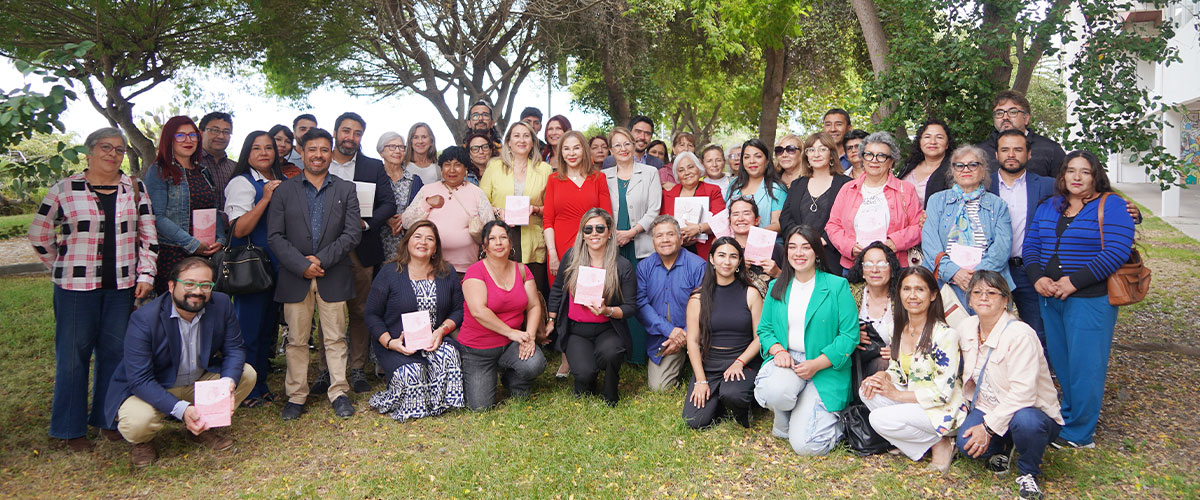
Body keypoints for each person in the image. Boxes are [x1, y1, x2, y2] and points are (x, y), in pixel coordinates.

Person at [29, 127, 157, 451]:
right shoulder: (65, 189)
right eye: (106, 147)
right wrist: (62, 264)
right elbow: (39, 234)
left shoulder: (136, 189)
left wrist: (146, 274)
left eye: (119, 149)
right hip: (75, 289)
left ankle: (107, 418)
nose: (113, 154)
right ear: (89, 152)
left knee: (115, 355)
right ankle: (69, 430)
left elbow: (148, 236)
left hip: (122, 287)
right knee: (73, 357)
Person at [1023, 150, 1135, 449]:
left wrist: (1073, 282)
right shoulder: (1050, 206)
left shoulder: (1111, 206)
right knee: (1063, 362)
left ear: (1095, 175)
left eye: (1084, 172)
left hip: (1089, 299)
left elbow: (1115, 252)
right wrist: (1037, 278)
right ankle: (1068, 417)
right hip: (1050, 296)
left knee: (1086, 366)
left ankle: (1080, 433)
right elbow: (1031, 245)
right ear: (1062, 175)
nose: (1076, 177)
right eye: (1070, 171)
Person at [103, 257, 256, 467]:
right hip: (154, 387)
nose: (198, 291)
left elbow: (235, 348)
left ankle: (202, 428)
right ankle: (143, 442)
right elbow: (139, 379)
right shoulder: (145, 319)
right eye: (190, 284)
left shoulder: (221, 305)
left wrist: (227, 381)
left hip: (197, 381)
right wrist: (181, 409)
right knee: (138, 423)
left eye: (205, 285)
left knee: (245, 374)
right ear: (172, 285)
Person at [267, 128, 362, 421]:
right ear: (302, 151)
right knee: (296, 340)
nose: (318, 155)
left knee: (334, 337)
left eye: (324, 150)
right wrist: (301, 264)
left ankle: (339, 392)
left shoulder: (345, 189)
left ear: (330, 152)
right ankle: (296, 395)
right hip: (296, 276)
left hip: (332, 273)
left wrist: (320, 260)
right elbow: (275, 236)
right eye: (312, 149)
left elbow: (352, 233)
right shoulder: (284, 190)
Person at [956, 270, 1063, 500]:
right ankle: (1003, 446)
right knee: (965, 444)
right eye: (977, 292)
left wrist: (986, 428)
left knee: (1026, 423)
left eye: (992, 292)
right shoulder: (966, 327)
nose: (984, 297)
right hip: (989, 405)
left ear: (1006, 300)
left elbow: (1024, 394)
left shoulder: (1020, 335)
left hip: (1031, 411)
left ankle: (1028, 471)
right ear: (970, 300)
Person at [753, 225, 858, 455]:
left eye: (806, 247)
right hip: (789, 360)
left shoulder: (836, 286)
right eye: (792, 247)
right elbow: (765, 329)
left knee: (806, 446)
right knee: (773, 392)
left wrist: (817, 364)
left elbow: (849, 335)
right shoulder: (776, 286)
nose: (798, 253)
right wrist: (778, 350)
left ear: (817, 252)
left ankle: (831, 420)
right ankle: (788, 415)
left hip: (825, 366)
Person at [858, 266, 963, 472]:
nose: (912, 296)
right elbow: (898, 370)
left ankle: (942, 443)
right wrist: (882, 376)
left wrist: (896, 394)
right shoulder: (897, 328)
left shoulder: (945, 335)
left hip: (943, 408)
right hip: (914, 398)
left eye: (920, 290)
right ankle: (926, 442)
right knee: (868, 391)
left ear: (933, 295)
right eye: (906, 289)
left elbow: (942, 394)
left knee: (878, 419)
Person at [323, 111, 398, 395]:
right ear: (335, 132)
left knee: (360, 310)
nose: (350, 137)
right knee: (329, 312)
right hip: (325, 250)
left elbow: (388, 204)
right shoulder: (321, 162)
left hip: (362, 248)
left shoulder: (372, 166)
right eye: (346, 131)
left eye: (357, 133)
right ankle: (325, 371)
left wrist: (366, 223)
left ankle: (357, 368)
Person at [365, 220, 465, 421]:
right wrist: (390, 343)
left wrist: (441, 331)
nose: (423, 242)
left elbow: (458, 310)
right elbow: (371, 314)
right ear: (407, 241)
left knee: (450, 353)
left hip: (432, 340)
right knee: (413, 371)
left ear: (436, 248)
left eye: (430, 239)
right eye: (417, 237)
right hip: (397, 343)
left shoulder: (447, 273)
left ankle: (440, 402)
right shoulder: (389, 273)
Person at [546, 209, 638, 405]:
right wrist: (552, 320)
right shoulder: (571, 257)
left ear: (610, 231)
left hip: (608, 328)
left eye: (599, 228)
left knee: (612, 353)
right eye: (588, 229)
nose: (593, 233)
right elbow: (556, 289)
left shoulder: (622, 266)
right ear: (582, 233)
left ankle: (610, 391)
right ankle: (588, 373)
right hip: (576, 330)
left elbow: (630, 307)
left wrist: (608, 310)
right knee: (585, 376)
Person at [222, 131, 285, 407]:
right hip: (253, 267)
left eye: (269, 147)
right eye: (256, 148)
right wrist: (265, 200)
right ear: (247, 152)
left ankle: (259, 385)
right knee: (248, 330)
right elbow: (238, 229)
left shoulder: (278, 180)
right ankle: (247, 389)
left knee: (266, 328)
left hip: (277, 266)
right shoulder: (243, 182)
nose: (263, 152)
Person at [459, 220, 547, 410]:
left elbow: (533, 306)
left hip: (510, 345)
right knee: (480, 407)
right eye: (492, 239)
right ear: (484, 246)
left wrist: (530, 337)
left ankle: (514, 380)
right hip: (478, 350)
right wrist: (510, 332)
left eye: (503, 237)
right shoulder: (475, 271)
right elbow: (478, 311)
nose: (498, 243)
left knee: (535, 363)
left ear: (510, 242)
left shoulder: (522, 270)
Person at [682, 237, 763, 429]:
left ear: (739, 262)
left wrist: (739, 362)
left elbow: (760, 337)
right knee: (695, 422)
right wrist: (701, 380)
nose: (727, 262)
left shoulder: (751, 293)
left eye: (733, 256)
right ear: (711, 259)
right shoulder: (698, 297)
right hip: (710, 363)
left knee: (733, 394)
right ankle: (719, 399)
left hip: (743, 361)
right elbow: (692, 342)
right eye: (721, 255)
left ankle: (742, 403)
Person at [921, 145, 1014, 311]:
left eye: (973, 165)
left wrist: (976, 277)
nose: (966, 169)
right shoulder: (936, 201)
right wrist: (955, 273)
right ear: (953, 171)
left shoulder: (998, 205)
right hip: (945, 282)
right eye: (959, 165)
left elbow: (1002, 248)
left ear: (983, 170)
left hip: (988, 284)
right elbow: (930, 244)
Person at [987, 129, 1056, 342]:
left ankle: (1040, 374)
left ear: (1029, 154)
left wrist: (1129, 211)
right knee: (991, 330)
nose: (1011, 155)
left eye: (1018, 149)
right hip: (992, 269)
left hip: (1030, 270)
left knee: (1037, 332)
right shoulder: (982, 186)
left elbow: (1085, 200)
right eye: (1005, 150)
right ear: (996, 155)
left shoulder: (1048, 186)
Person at [144, 116, 225, 295]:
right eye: (180, 136)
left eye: (192, 135)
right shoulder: (159, 170)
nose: (188, 140)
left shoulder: (203, 171)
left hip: (205, 254)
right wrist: (191, 243)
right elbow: (156, 216)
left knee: (203, 310)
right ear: (169, 139)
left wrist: (220, 239)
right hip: (173, 254)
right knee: (175, 310)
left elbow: (214, 210)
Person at [603, 126, 662, 364]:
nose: (622, 149)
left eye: (626, 143)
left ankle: (640, 353)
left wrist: (632, 232)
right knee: (616, 295)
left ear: (633, 145)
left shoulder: (649, 173)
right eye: (617, 145)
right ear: (610, 150)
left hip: (641, 244)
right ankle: (621, 351)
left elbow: (655, 209)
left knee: (639, 295)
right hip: (613, 244)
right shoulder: (603, 175)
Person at [826, 131, 924, 271]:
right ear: (862, 158)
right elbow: (833, 225)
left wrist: (896, 242)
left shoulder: (906, 190)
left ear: (891, 161)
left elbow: (918, 226)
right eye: (869, 155)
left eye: (881, 156)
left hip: (894, 265)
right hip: (854, 266)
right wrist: (849, 247)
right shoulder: (848, 189)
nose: (874, 160)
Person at [480, 121, 552, 297]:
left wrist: (535, 209)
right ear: (509, 142)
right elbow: (480, 201)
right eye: (517, 136)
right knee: (502, 294)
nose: (522, 140)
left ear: (533, 142)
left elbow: (551, 207)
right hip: (500, 236)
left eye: (526, 136)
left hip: (532, 239)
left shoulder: (545, 169)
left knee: (533, 294)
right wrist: (498, 212)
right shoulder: (494, 167)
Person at [637, 215, 707, 391]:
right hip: (663, 335)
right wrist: (670, 332)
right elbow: (641, 304)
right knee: (660, 387)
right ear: (653, 241)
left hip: (700, 333)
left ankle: (693, 359)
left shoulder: (698, 266)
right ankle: (680, 359)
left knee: (716, 373)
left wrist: (683, 335)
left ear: (681, 238)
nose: (665, 240)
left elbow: (707, 307)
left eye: (670, 234)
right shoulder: (644, 267)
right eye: (659, 236)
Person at [403, 146, 496, 274]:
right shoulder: (427, 190)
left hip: (467, 270)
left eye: (457, 165)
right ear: (441, 168)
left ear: (465, 169)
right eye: (447, 165)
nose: (452, 170)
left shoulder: (476, 193)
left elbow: (491, 229)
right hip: (430, 268)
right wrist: (427, 203)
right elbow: (406, 222)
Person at [780, 132, 853, 275]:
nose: (816, 154)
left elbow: (848, 220)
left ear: (831, 154)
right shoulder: (797, 184)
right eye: (811, 150)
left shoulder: (846, 184)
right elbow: (785, 219)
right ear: (806, 156)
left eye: (822, 149)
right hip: (799, 256)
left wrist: (823, 240)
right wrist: (801, 242)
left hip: (831, 255)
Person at [543, 130, 613, 278]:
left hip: (593, 248)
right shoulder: (553, 180)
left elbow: (607, 219)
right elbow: (548, 221)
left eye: (576, 148)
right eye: (566, 149)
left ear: (584, 150)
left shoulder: (599, 178)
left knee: (590, 297)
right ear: (561, 152)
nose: (571, 153)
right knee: (561, 298)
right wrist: (553, 253)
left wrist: (603, 253)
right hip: (560, 250)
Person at [978, 90, 1066, 178]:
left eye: (1012, 112)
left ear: (1026, 118)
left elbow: (1063, 187)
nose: (1005, 117)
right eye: (999, 113)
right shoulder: (980, 152)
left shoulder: (1050, 150)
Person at [846, 242, 902, 376]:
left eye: (882, 264)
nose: (875, 270)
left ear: (892, 269)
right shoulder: (849, 293)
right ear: (862, 271)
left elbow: (917, 333)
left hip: (882, 366)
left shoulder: (902, 298)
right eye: (869, 265)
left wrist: (899, 351)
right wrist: (852, 335)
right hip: (849, 361)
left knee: (884, 363)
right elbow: (831, 327)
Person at [663, 151, 727, 257]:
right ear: (677, 175)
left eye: (691, 167)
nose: (687, 172)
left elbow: (721, 221)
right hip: (674, 250)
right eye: (681, 170)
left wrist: (699, 228)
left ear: (699, 168)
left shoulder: (713, 190)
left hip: (704, 250)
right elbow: (662, 225)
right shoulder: (667, 194)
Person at [377, 131, 425, 261]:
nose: (397, 151)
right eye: (392, 147)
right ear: (381, 152)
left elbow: (422, 210)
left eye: (401, 147)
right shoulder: (374, 177)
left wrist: (404, 218)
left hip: (407, 241)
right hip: (378, 241)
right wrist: (384, 217)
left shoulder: (415, 181)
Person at [727, 138, 786, 232]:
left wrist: (751, 236)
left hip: (764, 243)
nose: (752, 161)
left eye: (757, 156)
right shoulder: (734, 185)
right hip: (733, 242)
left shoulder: (777, 189)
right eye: (746, 157)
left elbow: (777, 224)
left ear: (767, 160)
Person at [897, 118, 956, 207]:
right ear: (920, 142)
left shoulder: (954, 170)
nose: (933, 142)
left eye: (939, 137)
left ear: (947, 144)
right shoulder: (910, 166)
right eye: (927, 137)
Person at [728, 196, 782, 285]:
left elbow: (795, 282)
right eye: (735, 214)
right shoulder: (724, 248)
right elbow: (714, 282)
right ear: (729, 221)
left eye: (746, 213)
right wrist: (737, 269)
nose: (740, 218)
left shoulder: (773, 247)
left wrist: (777, 273)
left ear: (757, 220)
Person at [197, 111, 236, 210]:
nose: (221, 136)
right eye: (215, 130)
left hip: (231, 224)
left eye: (226, 132)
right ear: (201, 133)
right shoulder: (191, 164)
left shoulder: (236, 168)